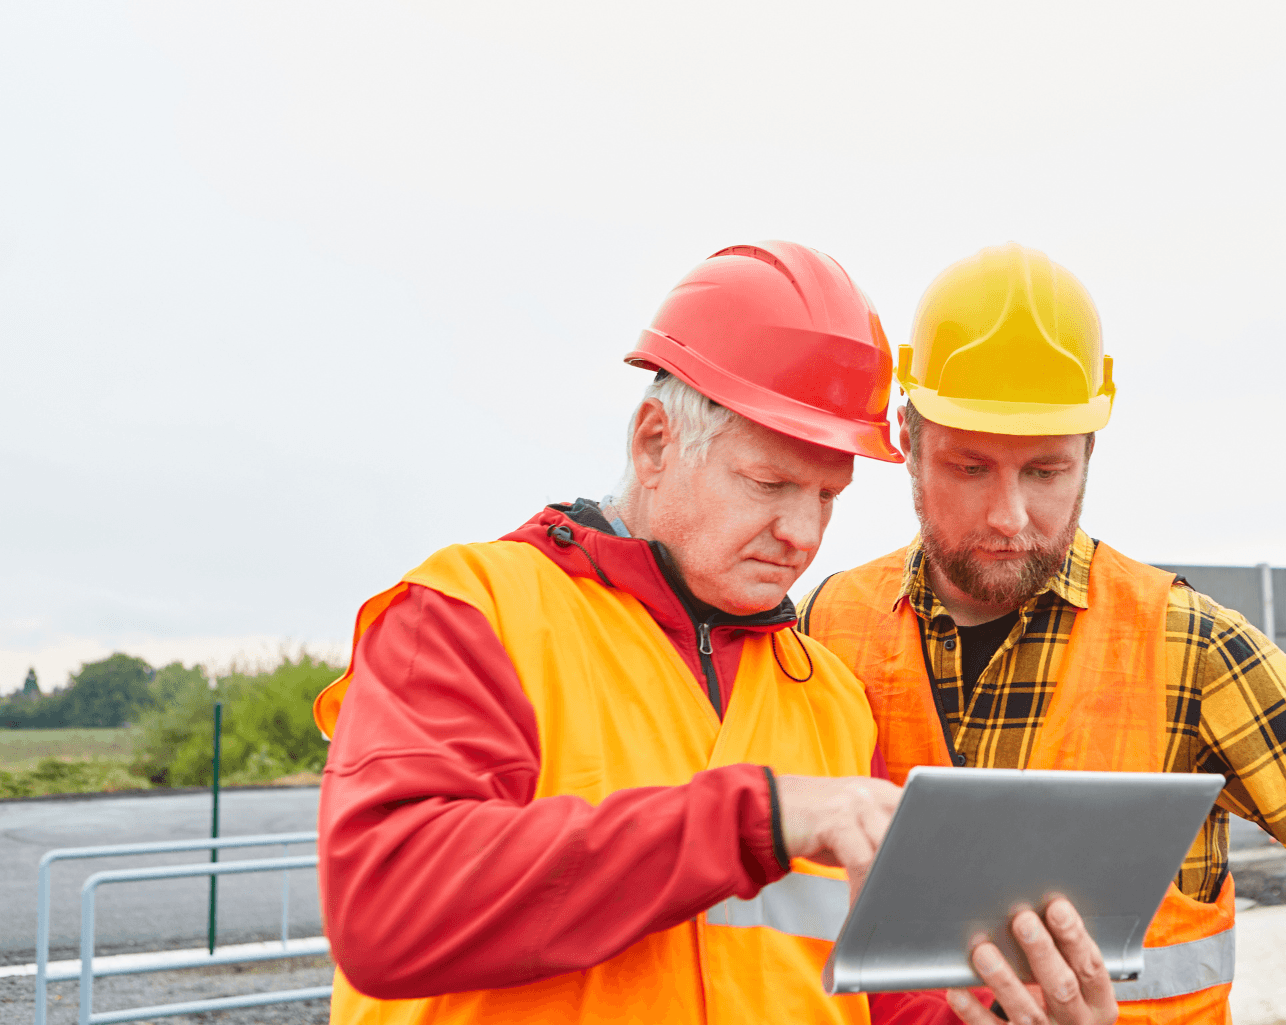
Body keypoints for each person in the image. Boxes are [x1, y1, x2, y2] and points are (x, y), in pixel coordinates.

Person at [312, 242, 1117, 1025]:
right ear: (654, 441)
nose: (801, 533)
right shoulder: (470, 613)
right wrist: (758, 818)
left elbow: (883, 998)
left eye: (828, 495)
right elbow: (385, 911)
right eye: (769, 483)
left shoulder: (830, 699)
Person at [801, 243, 1286, 1024]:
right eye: (969, 467)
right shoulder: (829, 624)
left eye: (1046, 473)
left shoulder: (1192, 649)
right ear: (908, 444)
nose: (1009, 517)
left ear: (1090, 453)